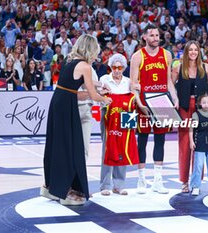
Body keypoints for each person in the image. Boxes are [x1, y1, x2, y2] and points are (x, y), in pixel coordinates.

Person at [40, 34, 112, 206]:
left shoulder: (68, 61)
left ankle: (52, 187)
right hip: (67, 107)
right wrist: (105, 99)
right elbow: (92, 95)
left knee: (57, 145)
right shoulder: (85, 66)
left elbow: (76, 91)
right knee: (70, 148)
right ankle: (66, 192)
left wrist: (99, 85)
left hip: (60, 103)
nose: (97, 54)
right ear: (90, 49)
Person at [130, 24, 178, 194]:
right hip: (143, 102)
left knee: (160, 140)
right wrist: (138, 102)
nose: (155, 38)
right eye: (152, 35)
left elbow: (168, 81)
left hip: (161, 101)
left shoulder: (167, 55)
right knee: (142, 140)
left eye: (157, 35)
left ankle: (158, 180)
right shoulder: (137, 56)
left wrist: (175, 97)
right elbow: (133, 84)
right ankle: (141, 179)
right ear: (144, 37)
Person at [171, 40, 208, 193]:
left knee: (199, 145)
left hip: (200, 111)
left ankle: (196, 181)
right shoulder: (178, 67)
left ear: (199, 52)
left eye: (195, 50)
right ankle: (184, 181)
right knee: (184, 145)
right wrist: (174, 98)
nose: (193, 52)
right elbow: (169, 86)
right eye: (190, 50)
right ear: (186, 52)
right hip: (183, 109)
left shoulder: (206, 68)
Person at [99, 54, 135, 196]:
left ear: (124, 68)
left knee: (123, 147)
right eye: (114, 67)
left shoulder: (128, 82)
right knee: (108, 148)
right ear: (111, 67)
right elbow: (99, 95)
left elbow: (134, 98)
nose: (117, 70)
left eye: (120, 67)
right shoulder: (104, 79)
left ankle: (119, 185)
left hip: (126, 115)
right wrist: (102, 93)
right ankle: (105, 185)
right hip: (108, 114)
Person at [189, 93, 208, 196]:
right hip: (199, 144)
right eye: (204, 102)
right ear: (200, 103)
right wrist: (191, 141)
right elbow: (191, 129)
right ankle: (195, 186)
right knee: (198, 166)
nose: (206, 104)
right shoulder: (196, 114)